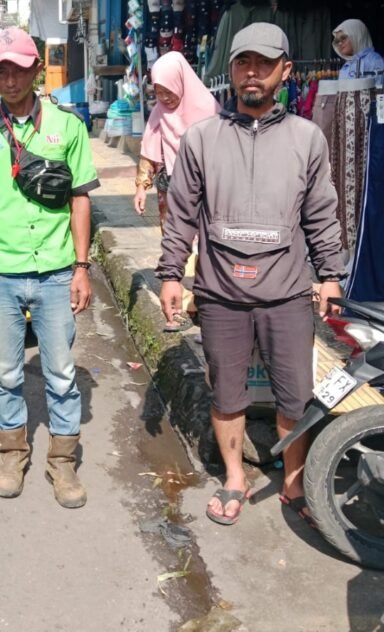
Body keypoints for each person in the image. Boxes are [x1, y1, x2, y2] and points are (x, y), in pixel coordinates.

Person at [156, 23, 346, 527]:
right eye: (243, 63)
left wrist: (330, 274)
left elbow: (322, 214)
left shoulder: (307, 138)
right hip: (220, 292)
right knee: (227, 393)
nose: (253, 73)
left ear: (286, 70)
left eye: (264, 63)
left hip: (286, 293)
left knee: (294, 392)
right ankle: (235, 478)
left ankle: (292, 483)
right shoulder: (202, 139)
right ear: (232, 71)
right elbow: (181, 214)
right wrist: (171, 274)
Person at [0, 27, 100, 509]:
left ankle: (62, 463)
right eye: (1, 69)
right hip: (0, 275)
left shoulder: (68, 127)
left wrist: (82, 268)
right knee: (7, 372)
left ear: (36, 69)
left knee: (60, 373)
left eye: (19, 67)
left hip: (57, 272)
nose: (10, 77)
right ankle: (12, 453)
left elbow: (81, 200)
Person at [134, 51, 220, 231]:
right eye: (159, 92)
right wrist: (141, 187)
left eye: (169, 91)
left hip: (204, 192)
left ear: (181, 82)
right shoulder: (159, 113)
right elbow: (149, 153)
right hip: (169, 190)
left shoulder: (209, 111)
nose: (165, 98)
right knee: (173, 240)